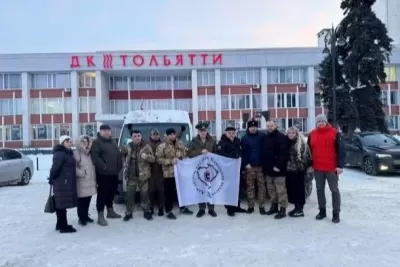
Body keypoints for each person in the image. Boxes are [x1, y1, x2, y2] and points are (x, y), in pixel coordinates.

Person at [308, 114, 345, 223]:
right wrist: (309, 165)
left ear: (326, 122)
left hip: (331, 168)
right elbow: (309, 152)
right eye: (319, 121)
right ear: (316, 123)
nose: (321, 123)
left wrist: (340, 166)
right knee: (319, 190)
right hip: (318, 167)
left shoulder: (335, 133)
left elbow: (341, 150)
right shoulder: (312, 134)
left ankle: (336, 213)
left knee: (334, 190)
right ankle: (322, 211)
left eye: (322, 121)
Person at [155, 128, 194, 220]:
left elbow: (186, 152)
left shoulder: (179, 143)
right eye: (170, 134)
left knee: (181, 191)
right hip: (169, 174)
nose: (172, 136)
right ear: (167, 135)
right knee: (169, 193)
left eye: (173, 134)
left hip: (180, 172)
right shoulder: (162, 146)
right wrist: (169, 161)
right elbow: (158, 159)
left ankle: (183, 208)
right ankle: (169, 211)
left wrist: (181, 154)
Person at [90, 124, 123, 226]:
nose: (106, 132)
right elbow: (95, 157)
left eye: (108, 130)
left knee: (112, 193)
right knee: (102, 195)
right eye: (104, 131)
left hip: (114, 173)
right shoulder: (97, 143)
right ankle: (100, 216)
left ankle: (110, 211)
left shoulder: (113, 142)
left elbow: (117, 155)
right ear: (100, 132)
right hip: (103, 174)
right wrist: (104, 167)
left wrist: (119, 166)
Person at [121, 130, 155, 221]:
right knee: (129, 195)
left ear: (141, 136)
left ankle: (146, 212)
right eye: (135, 136)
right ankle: (128, 213)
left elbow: (153, 159)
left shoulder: (147, 147)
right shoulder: (127, 147)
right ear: (132, 137)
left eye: (138, 136)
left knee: (144, 195)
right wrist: (124, 163)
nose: (137, 138)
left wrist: (146, 157)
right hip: (131, 176)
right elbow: (122, 155)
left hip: (143, 176)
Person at [187, 122, 218, 218]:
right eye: (201, 131)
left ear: (207, 131)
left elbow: (216, 154)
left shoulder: (212, 141)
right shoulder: (193, 141)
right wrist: (200, 152)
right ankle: (201, 209)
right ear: (198, 131)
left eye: (204, 130)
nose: (203, 132)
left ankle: (211, 209)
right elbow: (190, 154)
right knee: (200, 189)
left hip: (210, 169)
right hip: (199, 170)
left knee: (211, 189)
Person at [49, 135, 78, 233]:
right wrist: (52, 178)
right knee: (61, 204)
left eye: (70, 141)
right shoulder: (60, 154)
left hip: (66, 182)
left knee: (61, 204)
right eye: (67, 141)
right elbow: (55, 169)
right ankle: (63, 227)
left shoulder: (68, 153)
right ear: (62, 143)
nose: (70, 143)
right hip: (62, 183)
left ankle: (60, 224)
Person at [262, 119, 289, 219]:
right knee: (271, 190)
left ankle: (282, 209)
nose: (269, 128)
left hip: (279, 170)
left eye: (271, 126)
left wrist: (278, 166)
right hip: (268, 169)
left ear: (276, 126)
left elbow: (284, 154)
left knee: (280, 190)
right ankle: (274, 207)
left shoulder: (281, 137)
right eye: (268, 126)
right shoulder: (266, 137)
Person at [217, 126, 246, 216]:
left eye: (233, 133)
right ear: (226, 133)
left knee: (237, 188)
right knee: (229, 189)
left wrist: (239, 155)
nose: (231, 135)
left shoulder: (237, 141)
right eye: (229, 133)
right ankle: (230, 208)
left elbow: (242, 151)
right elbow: (221, 155)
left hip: (237, 169)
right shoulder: (222, 143)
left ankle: (237, 206)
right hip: (227, 170)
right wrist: (234, 155)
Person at [241, 119, 266, 214]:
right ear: (248, 128)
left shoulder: (262, 136)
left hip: (260, 166)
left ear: (257, 127)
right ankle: (250, 206)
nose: (253, 128)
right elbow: (242, 153)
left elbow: (265, 150)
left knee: (261, 187)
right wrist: (246, 163)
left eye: (254, 126)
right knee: (250, 187)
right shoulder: (244, 138)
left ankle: (262, 206)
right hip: (249, 167)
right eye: (251, 127)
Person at [285, 127, 311, 217]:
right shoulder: (287, 142)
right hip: (289, 171)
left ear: (296, 134)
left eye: (293, 133)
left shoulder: (301, 143)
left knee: (299, 191)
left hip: (298, 172)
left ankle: (300, 210)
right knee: (293, 191)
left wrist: (300, 168)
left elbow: (306, 157)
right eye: (289, 133)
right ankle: (296, 208)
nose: (291, 134)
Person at [73, 135, 96, 226]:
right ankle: (81, 218)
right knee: (81, 201)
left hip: (89, 180)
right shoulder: (77, 152)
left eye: (86, 141)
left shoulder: (89, 152)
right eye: (82, 141)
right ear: (79, 142)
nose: (85, 143)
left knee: (87, 200)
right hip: (82, 181)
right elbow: (73, 167)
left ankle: (86, 216)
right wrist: (82, 173)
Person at [148, 129, 165, 217]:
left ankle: (161, 208)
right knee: (151, 191)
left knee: (161, 191)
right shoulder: (147, 144)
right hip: (150, 171)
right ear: (151, 135)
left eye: (156, 134)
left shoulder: (163, 144)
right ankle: (151, 208)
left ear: (159, 135)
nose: (155, 136)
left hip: (160, 171)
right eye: (153, 134)